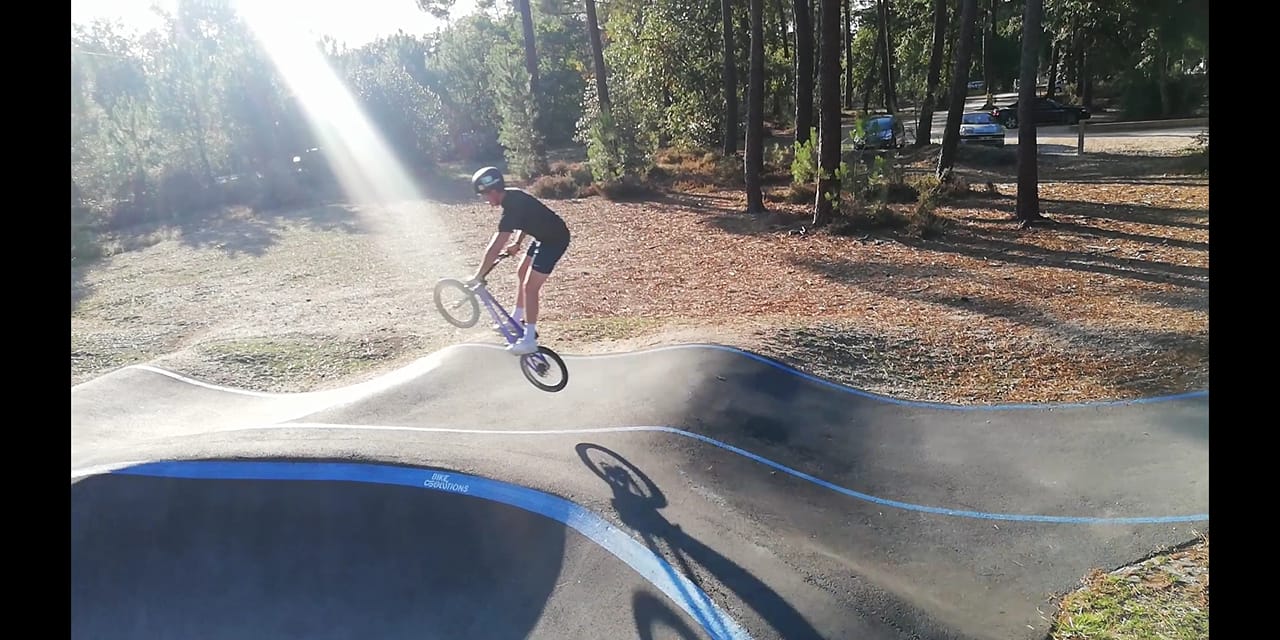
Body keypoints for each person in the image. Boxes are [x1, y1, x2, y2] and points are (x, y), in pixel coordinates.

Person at [470, 166, 571, 355]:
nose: (485, 200)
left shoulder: (510, 211)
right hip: (543, 236)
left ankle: (529, 339)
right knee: (521, 272)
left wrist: (479, 275)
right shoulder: (512, 197)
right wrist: (517, 242)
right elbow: (526, 219)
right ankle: (516, 319)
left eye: (484, 195)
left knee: (530, 287)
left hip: (555, 240)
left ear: (492, 191)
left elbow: (494, 248)